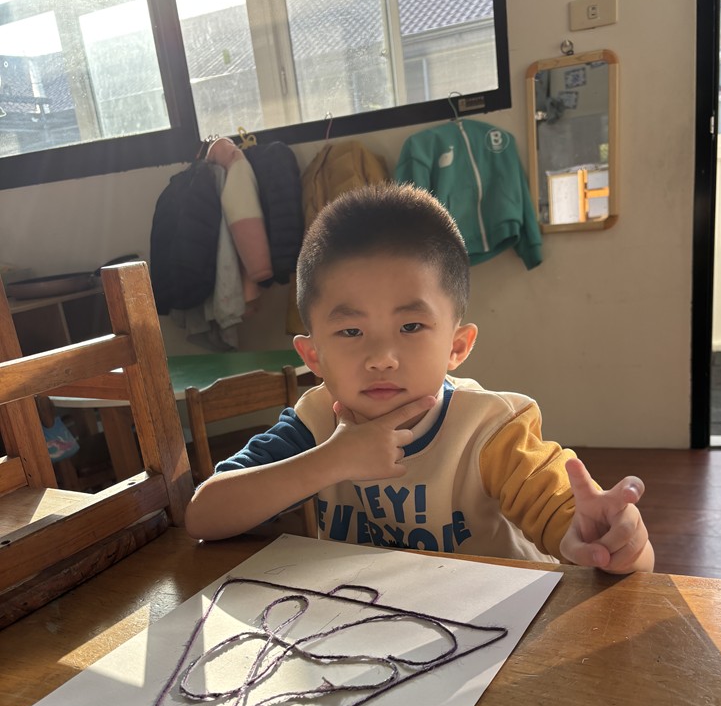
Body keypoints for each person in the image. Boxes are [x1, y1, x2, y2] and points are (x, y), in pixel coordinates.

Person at [185, 183, 654, 574]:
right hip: (372, 622)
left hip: (499, 630)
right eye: (351, 331)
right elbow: (204, 514)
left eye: (411, 326)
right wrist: (333, 459)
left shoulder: (490, 430)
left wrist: (612, 542)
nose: (381, 358)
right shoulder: (315, 422)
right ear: (314, 357)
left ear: (457, 346)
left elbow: (585, 533)